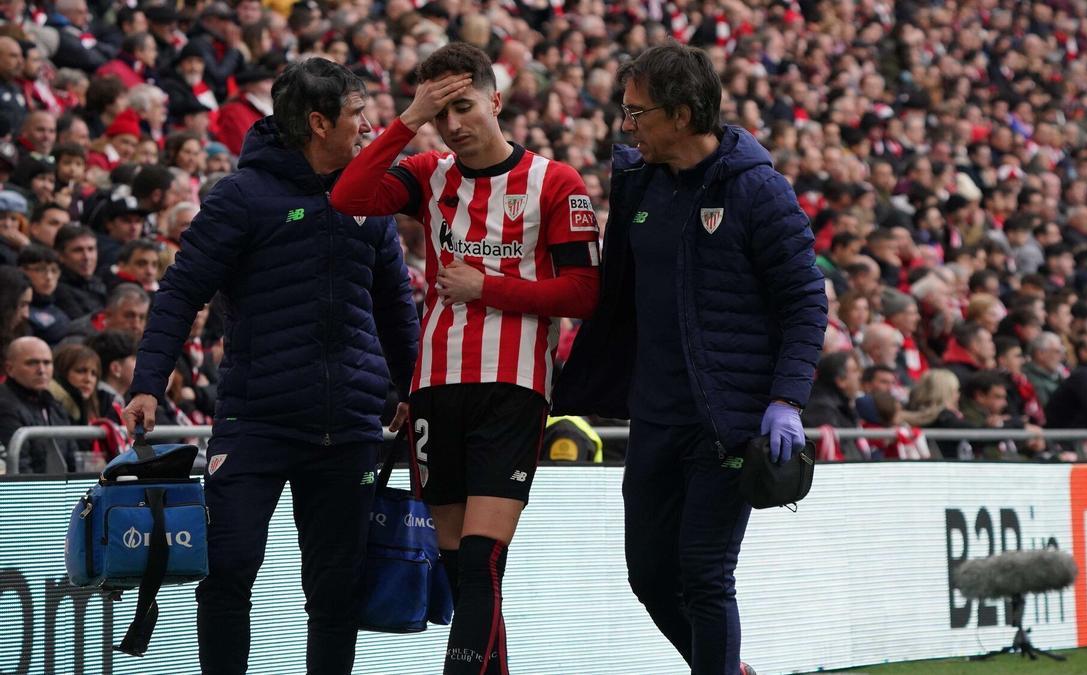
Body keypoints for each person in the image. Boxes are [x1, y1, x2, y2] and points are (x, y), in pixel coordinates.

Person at [121, 58, 420, 674]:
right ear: (318, 123)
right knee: (227, 574)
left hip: (353, 428)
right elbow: (180, 291)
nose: (368, 128)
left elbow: (396, 304)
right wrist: (149, 382)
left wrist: (413, 386)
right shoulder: (241, 196)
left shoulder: (372, 196)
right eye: (358, 115)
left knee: (337, 592)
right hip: (258, 422)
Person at [552, 42, 827, 675]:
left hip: (726, 421)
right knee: (649, 576)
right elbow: (615, 293)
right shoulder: (636, 183)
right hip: (654, 416)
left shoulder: (759, 190)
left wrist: (786, 401)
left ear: (681, 115)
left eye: (637, 112)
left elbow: (806, 301)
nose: (627, 125)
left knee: (704, 575)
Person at [331, 42, 600, 674]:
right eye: (439, 112)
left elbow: (586, 294)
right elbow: (348, 196)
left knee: (482, 560)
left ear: (495, 100)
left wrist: (490, 288)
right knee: (459, 567)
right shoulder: (427, 172)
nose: (453, 124)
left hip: (511, 388)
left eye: (463, 106)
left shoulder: (554, 181)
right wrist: (405, 120)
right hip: (433, 389)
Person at [0, 336, 76, 474]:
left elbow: (72, 458)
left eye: (47, 363)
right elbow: (19, 469)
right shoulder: (4, 406)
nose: (41, 370)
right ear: (9, 368)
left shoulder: (55, 405)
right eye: (32, 363)